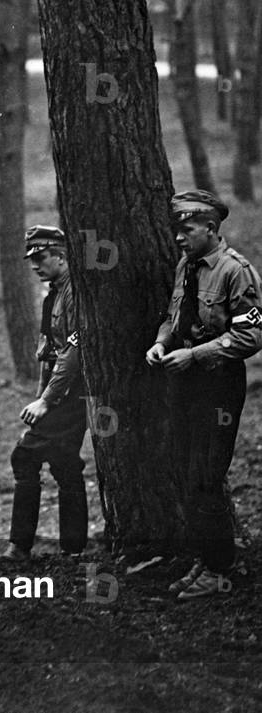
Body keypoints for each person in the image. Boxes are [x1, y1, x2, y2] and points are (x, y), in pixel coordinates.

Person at [146, 190, 262, 599]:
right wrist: (162, 342)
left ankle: (219, 569)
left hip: (218, 383)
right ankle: (205, 559)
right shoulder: (187, 266)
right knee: (183, 470)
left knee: (206, 476)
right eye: (176, 230)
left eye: (187, 229)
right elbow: (174, 316)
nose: (178, 238)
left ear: (211, 229)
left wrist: (194, 355)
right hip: (185, 382)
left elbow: (250, 335)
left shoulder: (236, 271)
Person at [0, 226, 88, 562]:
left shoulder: (75, 292)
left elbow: (74, 352)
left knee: (25, 456)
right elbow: (49, 353)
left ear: (61, 256)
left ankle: (20, 547)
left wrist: (47, 400)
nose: (34, 264)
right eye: (32, 258)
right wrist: (41, 396)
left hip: (76, 389)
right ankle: (72, 551)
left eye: (41, 257)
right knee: (65, 464)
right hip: (62, 389)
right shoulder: (55, 293)